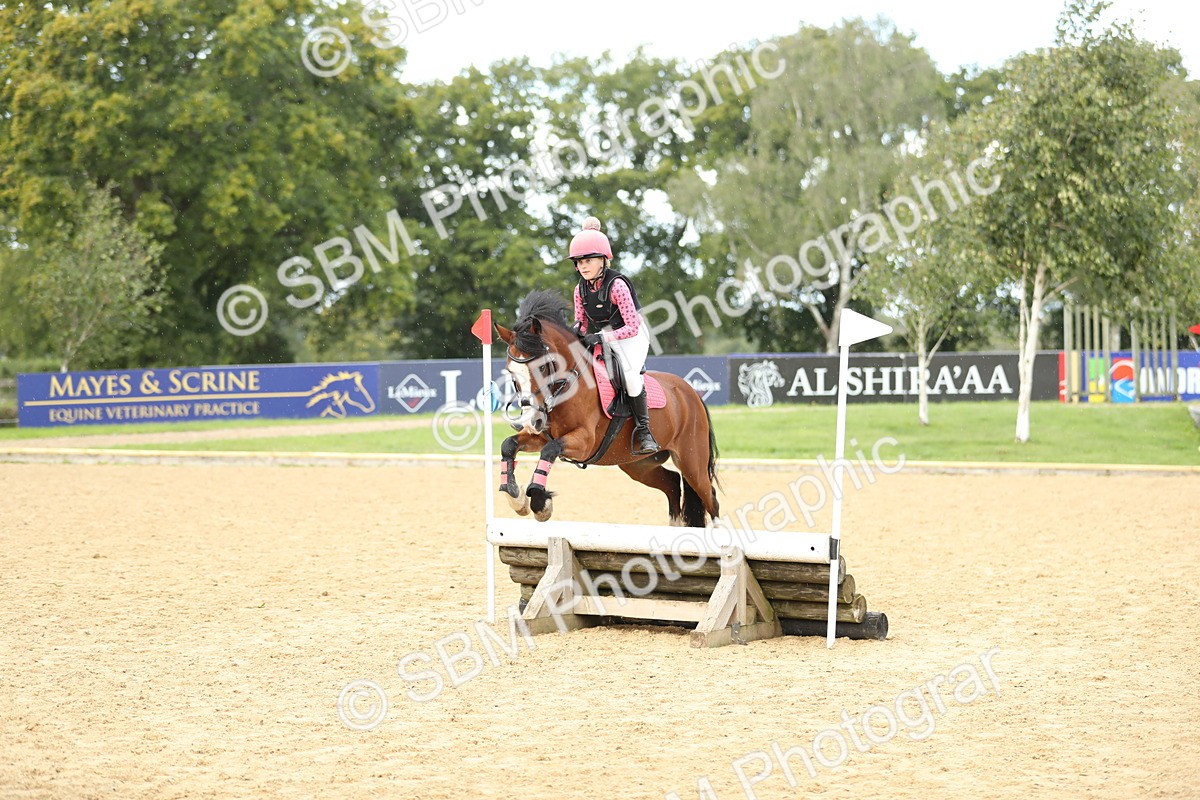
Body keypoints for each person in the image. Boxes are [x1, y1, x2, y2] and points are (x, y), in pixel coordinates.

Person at [568, 216, 659, 455]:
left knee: (629, 375)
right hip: (603, 336)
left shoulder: (617, 286)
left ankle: (644, 431)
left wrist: (601, 338)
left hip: (632, 338)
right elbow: (581, 322)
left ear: (603, 260)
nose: (583, 266)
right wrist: (571, 336)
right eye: (579, 262)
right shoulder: (580, 289)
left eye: (588, 260)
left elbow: (632, 327)